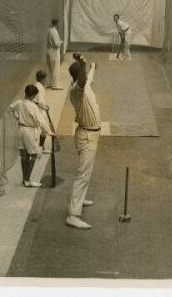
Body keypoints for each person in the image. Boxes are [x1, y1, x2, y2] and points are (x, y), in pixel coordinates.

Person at [66, 53, 101, 230]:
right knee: (82, 175)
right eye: (83, 73)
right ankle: (73, 215)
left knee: (85, 173)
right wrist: (81, 62)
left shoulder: (85, 84)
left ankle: (79, 201)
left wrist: (91, 66)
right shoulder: (76, 91)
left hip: (89, 134)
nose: (86, 75)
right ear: (78, 76)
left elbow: (89, 77)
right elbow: (83, 79)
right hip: (86, 136)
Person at [8, 85, 55, 188]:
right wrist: (49, 131)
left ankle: (25, 179)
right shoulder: (32, 106)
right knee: (33, 155)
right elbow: (40, 120)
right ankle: (28, 180)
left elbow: (10, 109)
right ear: (33, 95)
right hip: (29, 131)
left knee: (24, 155)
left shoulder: (18, 102)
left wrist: (16, 116)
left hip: (21, 130)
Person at [34, 70, 50, 154]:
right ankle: (40, 148)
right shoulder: (40, 88)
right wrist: (45, 106)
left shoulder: (35, 85)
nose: (46, 80)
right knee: (45, 130)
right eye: (46, 79)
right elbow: (40, 101)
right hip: (40, 111)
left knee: (37, 130)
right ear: (43, 79)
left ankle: (38, 148)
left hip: (35, 110)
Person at [46, 19, 63, 90]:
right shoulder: (54, 32)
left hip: (48, 50)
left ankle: (50, 83)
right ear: (57, 24)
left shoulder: (49, 30)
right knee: (55, 68)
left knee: (49, 68)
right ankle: (55, 85)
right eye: (59, 23)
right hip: (54, 51)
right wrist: (61, 42)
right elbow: (56, 44)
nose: (60, 25)